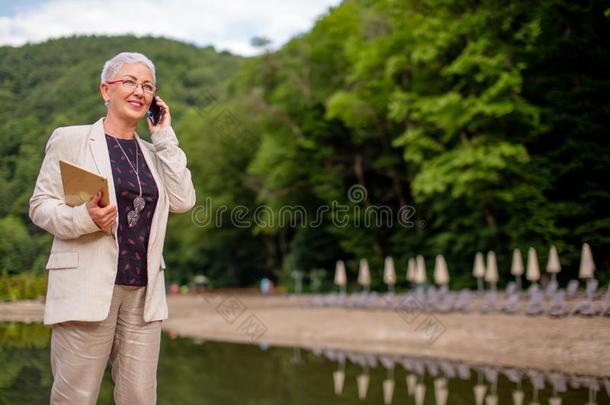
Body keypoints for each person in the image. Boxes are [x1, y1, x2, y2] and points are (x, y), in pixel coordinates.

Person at [28, 52, 196, 404]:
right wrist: (85, 219)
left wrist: (164, 136)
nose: (140, 91)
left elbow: (183, 201)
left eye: (148, 86)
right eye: (130, 82)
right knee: (75, 397)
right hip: (85, 287)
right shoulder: (70, 140)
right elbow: (40, 206)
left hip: (142, 294)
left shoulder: (154, 154)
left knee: (140, 397)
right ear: (106, 90)